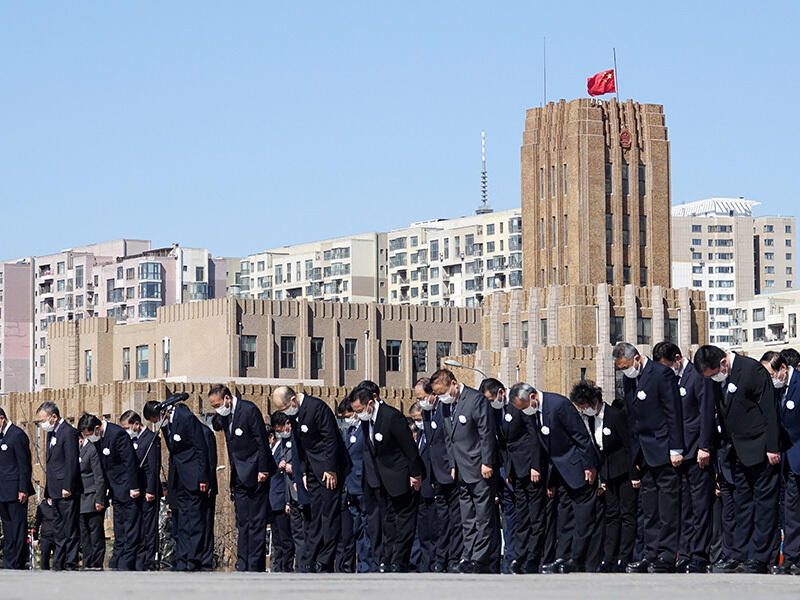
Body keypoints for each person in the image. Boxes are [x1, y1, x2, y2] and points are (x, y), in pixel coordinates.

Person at [693, 344, 780, 573]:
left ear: (723, 363)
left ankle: (759, 557)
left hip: (760, 448)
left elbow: (770, 411)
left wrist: (772, 447)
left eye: (713, 374)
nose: (712, 379)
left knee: (764, 505)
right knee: (742, 505)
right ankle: (739, 553)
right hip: (737, 451)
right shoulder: (716, 379)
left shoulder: (751, 371)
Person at [613, 342, 684, 573]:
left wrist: (676, 448)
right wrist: (634, 453)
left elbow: (673, 411)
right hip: (643, 451)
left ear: (636, 358)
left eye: (626, 366)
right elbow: (632, 418)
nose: (625, 371)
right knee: (648, 508)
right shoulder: (629, 379)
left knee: (667, 507)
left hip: (663, 447)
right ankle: (650, 553)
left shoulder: (661, 373)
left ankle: (666, 555)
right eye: (620, 369)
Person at [653, 341, 716, 573]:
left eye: (668, 365)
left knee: (700, 507)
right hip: (679, 453)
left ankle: (700, 555)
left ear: (678, 359)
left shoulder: (696, 375)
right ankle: (686, 553)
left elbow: (706, 412)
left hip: (697, 452)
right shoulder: (670, 380)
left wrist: (705, 446)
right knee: (685, 508)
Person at [273, 385, 351, 572]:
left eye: (285, 409)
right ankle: (312, 557)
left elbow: (331, 439)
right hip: (312, 470)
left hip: (329, 469)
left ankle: (325, 560)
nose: (286, 414)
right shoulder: (295, 415)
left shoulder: (317, 408)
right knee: (313, 515)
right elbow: (301, 446)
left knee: (329, 516)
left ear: (293, 400)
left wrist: (331, 469)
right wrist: (304, 473)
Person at [525, 382, 599, 574]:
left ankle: (577, 559)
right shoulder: (535, 414)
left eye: (524, 407)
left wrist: (589, 466)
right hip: (560, 475)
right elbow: (547, 449)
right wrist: (550, 482)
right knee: (565, 519)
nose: (524, 411)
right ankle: (562, 557)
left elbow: (580, 436)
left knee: (583, 519)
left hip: (578, 469)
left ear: (532, 397)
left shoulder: (558, 405)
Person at [350, 383, 425, 573]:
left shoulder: (391, 417)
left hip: (402, 477)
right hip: (383, 480)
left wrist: (415, 475)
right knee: (388, 522)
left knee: (404, 523)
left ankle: (400, 560)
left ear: (371, 402)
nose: (359, 415)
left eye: (360, 410)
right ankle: (388, 559)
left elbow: (410, 449)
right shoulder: (368, 421)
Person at [431, 368, 498, 574]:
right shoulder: (445, 406)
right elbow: (449, 439)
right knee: (467, 517)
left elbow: (486, 432)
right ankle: (467, 555)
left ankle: (480, 557)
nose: (441, 397)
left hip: (478, 467)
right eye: (437, 394)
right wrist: (452, 464)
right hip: (460, 470)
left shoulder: (475, 399)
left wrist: (487, 462)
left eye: (443, 392)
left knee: (483, 515)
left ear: (454, 383)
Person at [569, 380, 636, 573]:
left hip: (624, 471)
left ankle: (625, 557)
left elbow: (628, 445)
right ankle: (609, 558)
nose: (584, 410)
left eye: (585, 406)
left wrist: (634, 475)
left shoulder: (615, 416)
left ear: (594, 401)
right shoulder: (590, 420)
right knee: (611, 515)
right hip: (607, 473)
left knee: (627, 515)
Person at [209, 384, 276, 572]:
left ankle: (255, 565)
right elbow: (217, 427)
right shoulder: (225, 415)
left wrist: (263, 469)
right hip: (238, 475)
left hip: (256, 473)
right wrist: (218, 415)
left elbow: (261, 441)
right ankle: (243, 563)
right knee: (243, 522)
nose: (216, 409)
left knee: (256, 523)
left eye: (217, 405)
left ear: (228, 398)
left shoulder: (248, 410)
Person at [143, 398, 209, 572]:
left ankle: (193, 559)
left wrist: (203, 477)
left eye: (155, 420)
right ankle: (182, 557)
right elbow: (173, 452)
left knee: (194, 520)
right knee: (182, 520)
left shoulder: (185, 418)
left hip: (193, 476)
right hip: (179, 478)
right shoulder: (166, 425)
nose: (156, 424)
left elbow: (201, 447)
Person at [487, 381, 545, 574]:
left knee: (535, 516)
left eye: (490, 398)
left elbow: (533, 435)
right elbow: (503, 443)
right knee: (521, 516)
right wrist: (508, 470)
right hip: (514, 470)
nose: (489, 403)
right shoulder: (496, 411)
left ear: (501, 393)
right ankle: (519, 558)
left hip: (530, 467)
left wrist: (535, 465)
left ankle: (534, 558)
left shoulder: (518, 404)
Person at [78, 412, 142, 571]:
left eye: (89, 434)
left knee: (130, 528)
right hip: (115, 490)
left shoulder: (117, 434)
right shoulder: (99, 439)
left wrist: (134, 487)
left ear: (97, 428)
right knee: (119, 528)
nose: (89, 438)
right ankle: (117, 561)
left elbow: (130, 463)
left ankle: (127, 562)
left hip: (127, 489)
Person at [417, 377, 463, 572]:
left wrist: (452, 466)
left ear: (433, 395)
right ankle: (440, 560)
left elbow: (450, 442)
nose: (421, 402)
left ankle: (454, 559)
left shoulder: (446, 409)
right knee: (441, 522)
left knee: (456, 521)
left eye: (423, 397)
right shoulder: (428, 413)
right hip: (436, 475)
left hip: (451, 472)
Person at [761, 351, 800, 575]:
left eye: (773, 373)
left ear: (783, 368)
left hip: (797, 454)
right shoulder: (775, 390)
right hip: (784, 460)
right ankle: (791, 557)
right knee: (789, 511)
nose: (772, 378)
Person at [36, 401, 81, 570]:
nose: (42, 424)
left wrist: (68, 486)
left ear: (53, 416)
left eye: (43, 420)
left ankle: (70, 562)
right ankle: (59, 562)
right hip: (54, 490)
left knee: (69, 528)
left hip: (65, 489)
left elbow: (71, 462)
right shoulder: (52, 433)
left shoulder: (68, 432)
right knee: (59, 529)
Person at [120, 409, 162, 571]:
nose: (126, 431)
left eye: (127, 427)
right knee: (139, 526)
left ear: (137, 424)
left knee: (149, 528)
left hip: (148, 491)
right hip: (137, 490)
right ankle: (140, 557)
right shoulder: (133, 440)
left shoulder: (150, 439)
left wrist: (151, 490)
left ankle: (150, 558)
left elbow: (153, 468)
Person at [336, 396, 373, 573]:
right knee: (356, 528)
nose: (346, 420)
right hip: (350, 486)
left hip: (362, 484)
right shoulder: (350, 431)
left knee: (367, 527)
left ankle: (368, 565)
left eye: (348, 415)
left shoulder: (365, 429)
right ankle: (361, 564)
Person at [0, 408, 34, 569]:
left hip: (15, 491)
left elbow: (24, 465)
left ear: (2, 419)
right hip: (2, 491)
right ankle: (9, 560)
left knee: (18, 528)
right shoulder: (2, 437)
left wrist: (23, 489)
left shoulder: (17, 435)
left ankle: (19, 561)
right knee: (7, 529)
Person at [409, 401, 435, 573]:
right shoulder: (417, 437)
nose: (417, 423)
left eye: (418, 419)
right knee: (419, 532)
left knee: (430, 533)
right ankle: (418, 564)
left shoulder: (430, 434)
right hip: (417, 490)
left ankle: (430, 565)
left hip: (430, 488)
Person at [269, 415, 295, 572]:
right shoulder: (273, 451)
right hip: (272, 500)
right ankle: (278, 566)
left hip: (281, 498)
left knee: (285, 537)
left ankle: (286, 566)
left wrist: (287, 501)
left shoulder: (282, 447)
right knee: (277, 538)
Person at [78, 434, 106, 569]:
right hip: (81, 498)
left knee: (96, 533)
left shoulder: (91, 449)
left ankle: (96, 562)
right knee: (84, 535)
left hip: (92, 496)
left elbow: (99, 476)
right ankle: (87, 561)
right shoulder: (77, 451)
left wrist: (100, 499)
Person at [200, 420, 218, 571]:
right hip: (189, 489)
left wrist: (208, 481)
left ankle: (205, 560)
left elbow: (211, 461)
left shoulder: (205, 433)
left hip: (206, 488)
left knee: (206, 524)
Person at [33, 496, 60, 570]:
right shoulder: (41, 507)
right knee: (44, 559)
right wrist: (35, 538)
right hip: (45, 537)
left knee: (57, 560)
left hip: (57, 536)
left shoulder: (59, 506)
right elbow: (37, 523)